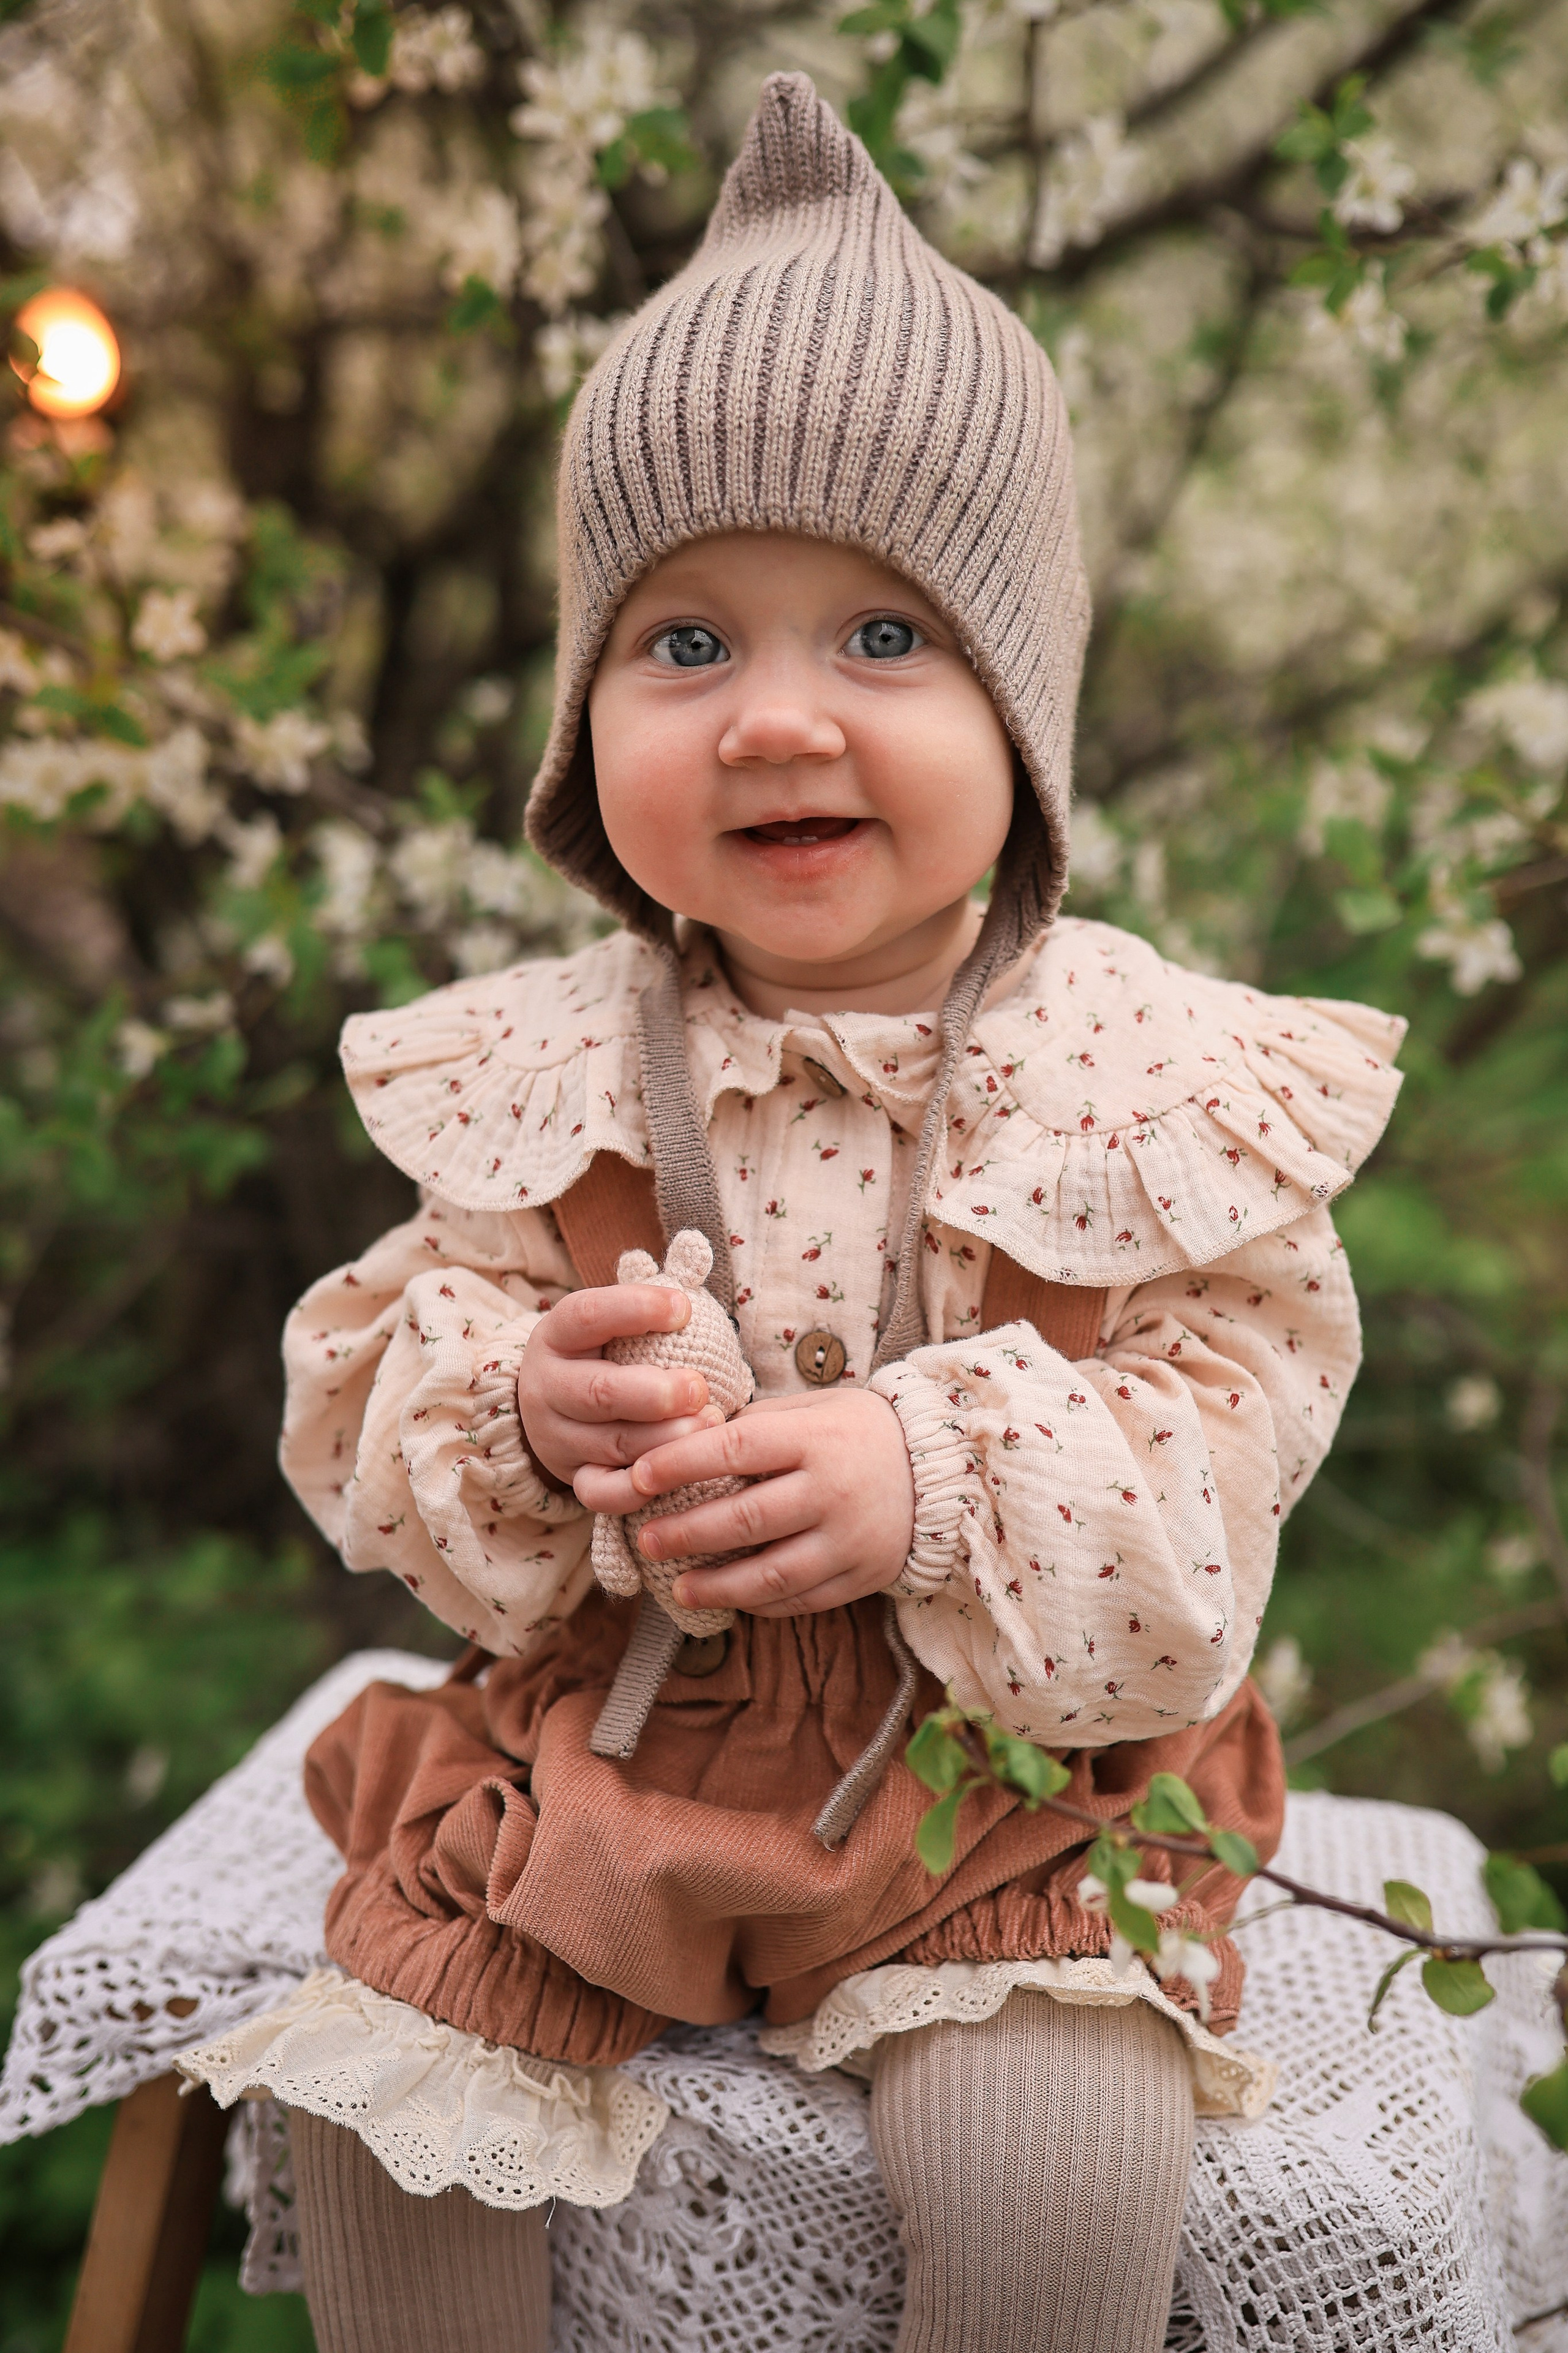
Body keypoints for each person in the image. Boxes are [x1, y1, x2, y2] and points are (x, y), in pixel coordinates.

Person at [195, 72, 1404, 2352]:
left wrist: (935, 1474)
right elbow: (379, 1376)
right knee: (379, 2109)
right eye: (685, 644)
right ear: (584, 720)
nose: (771, 721)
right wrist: (526, 1407)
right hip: (613, 1753)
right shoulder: (545, 1069)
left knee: (1057, 2135)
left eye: (881, 639)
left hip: (997, 1778)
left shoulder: (1138, 1079)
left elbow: (1225, 1431)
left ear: (1021, 712)